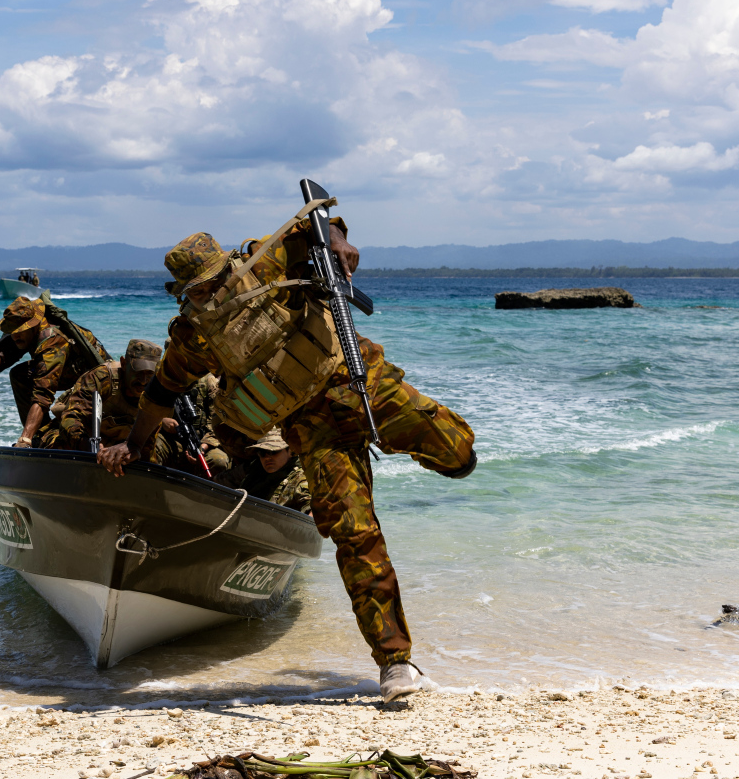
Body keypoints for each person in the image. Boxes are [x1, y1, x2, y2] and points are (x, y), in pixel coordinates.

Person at [97, 208, 477, 703]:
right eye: (199, 291)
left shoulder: (265, 261)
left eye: (217, 281)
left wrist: (337, 240)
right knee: (355, 536)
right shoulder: (194, 335)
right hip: (316, 432)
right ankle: (395, 662)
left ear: (229, 267)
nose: (212, 294)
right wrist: (133, 444)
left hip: (365, 385)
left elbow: (317, 221)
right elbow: (161, 394)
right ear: (185, 294)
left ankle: (411, 448)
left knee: (460, 455)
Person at [0, 296, 107, 448]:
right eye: (12, 331)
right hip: (72, 370)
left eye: (20, 331)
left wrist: (25, 440)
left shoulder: (51, 340)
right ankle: (43, 434)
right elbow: (16, 347)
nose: (15, 335)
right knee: (19, 374)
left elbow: (43, 393)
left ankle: (38, 437)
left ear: (33, 325)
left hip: (95, 383)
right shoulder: (32, 329)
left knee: (70, 427)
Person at [39, 339, 170, 457]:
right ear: (124, 363)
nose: (143, 380)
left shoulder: (155, 392)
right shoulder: (102, 378)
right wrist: (88, 446)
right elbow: (71, 418)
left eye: (149, 374)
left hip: (118, 444)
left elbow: (148, 440)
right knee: (59, 447)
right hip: (79, 437)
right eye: (138, 372)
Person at [217, 428, 311, 515]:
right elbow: (219, 482)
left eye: (273, 451)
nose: (267, 457)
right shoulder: (255, 471)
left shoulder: (301, 479)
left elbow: (313, 511)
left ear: (290, 451)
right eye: (262, 452)